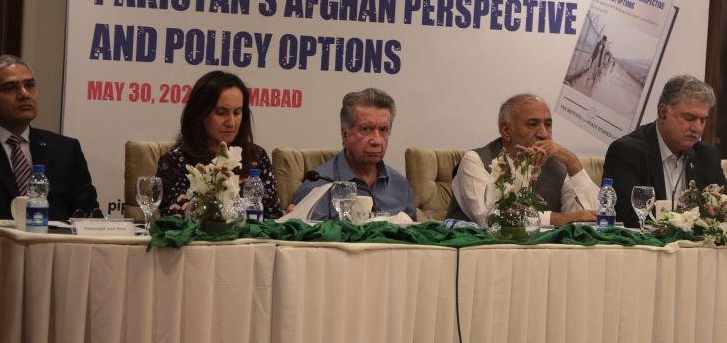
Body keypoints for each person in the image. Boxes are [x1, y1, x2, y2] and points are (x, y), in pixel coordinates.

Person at [0, 55, 99, 223]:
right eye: (10, 88)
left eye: (30, 85)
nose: (24, 94)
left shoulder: (66, 150)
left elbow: (90, 217)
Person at [447, 94, 599, 226]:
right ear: (506, 130)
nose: (544, 134)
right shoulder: (475, 161)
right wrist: (558, 219)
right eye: (533, 124)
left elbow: (591, 219)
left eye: (548, 124)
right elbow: (489, 219)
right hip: (478, 249)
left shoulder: (558, 165)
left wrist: (573, 162)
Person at [603, 75, 727, 229]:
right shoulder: (628, 152)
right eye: (689, 118)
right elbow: (626, 218)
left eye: (702, 120)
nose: (697, 128)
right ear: (663, 113)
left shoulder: (707, 155)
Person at [156, 71, 283, 219]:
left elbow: (273, 217)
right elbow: (174, 222)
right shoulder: (175, 162)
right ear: (200, 113)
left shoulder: (256, 157)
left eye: (237, 112)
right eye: (221, 112)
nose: (231, 122)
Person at [291, 88, 416, 220]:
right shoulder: (318, 187)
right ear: (345, 135)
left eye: (383, 130)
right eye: (366, 129)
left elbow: (415, 232)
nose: (377, 140)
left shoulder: (400, 185)